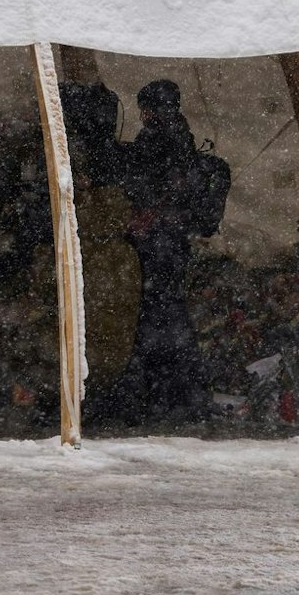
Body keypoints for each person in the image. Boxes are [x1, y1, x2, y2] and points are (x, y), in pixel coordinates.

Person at [114, 79, 228, 424]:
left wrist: (148, 216)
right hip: (172, 242)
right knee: (168, 317)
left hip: (159, 244)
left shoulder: (161, 139)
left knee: (155, 319)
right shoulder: (180, 136)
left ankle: (161, 399)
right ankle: (180, 397)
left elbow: (161, 189)